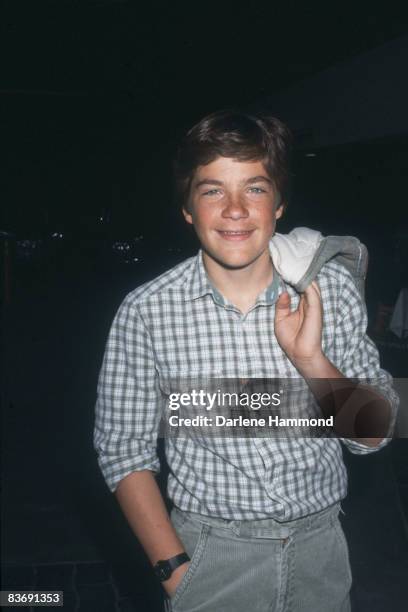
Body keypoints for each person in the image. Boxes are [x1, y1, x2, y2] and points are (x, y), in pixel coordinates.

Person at [94, 110, 398, 612]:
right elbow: (123, 451)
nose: (235, 209)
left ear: (279, 203)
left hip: (320, 552)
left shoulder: (332, 290)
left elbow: (377, 433)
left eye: (254, 189)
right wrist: (176, 572)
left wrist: (311, 360)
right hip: (210, 557)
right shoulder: (146, 311)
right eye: (213, 190)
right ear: (188, 208)